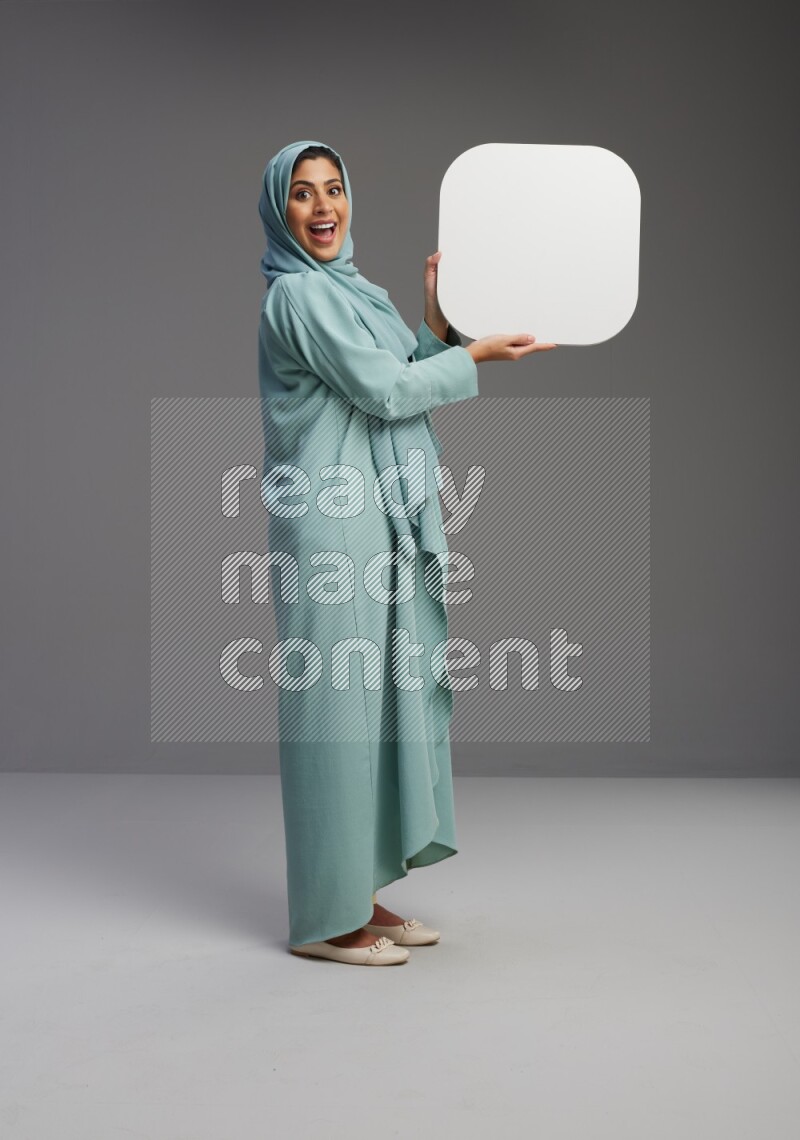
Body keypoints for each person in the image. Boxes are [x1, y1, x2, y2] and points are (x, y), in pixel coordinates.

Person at [257, 139, 556, 966]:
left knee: (377, 712)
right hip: (331, 524)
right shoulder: (298, 297)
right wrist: (474, 356)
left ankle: (358, 893)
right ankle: (325, 920)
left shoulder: (354, 292)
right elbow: (387, 392)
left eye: (334, 189)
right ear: (279, 210)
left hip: (376, 518)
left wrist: (436, 321)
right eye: (303, 193)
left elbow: (404, 374)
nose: (323, 207)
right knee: (335, 720)